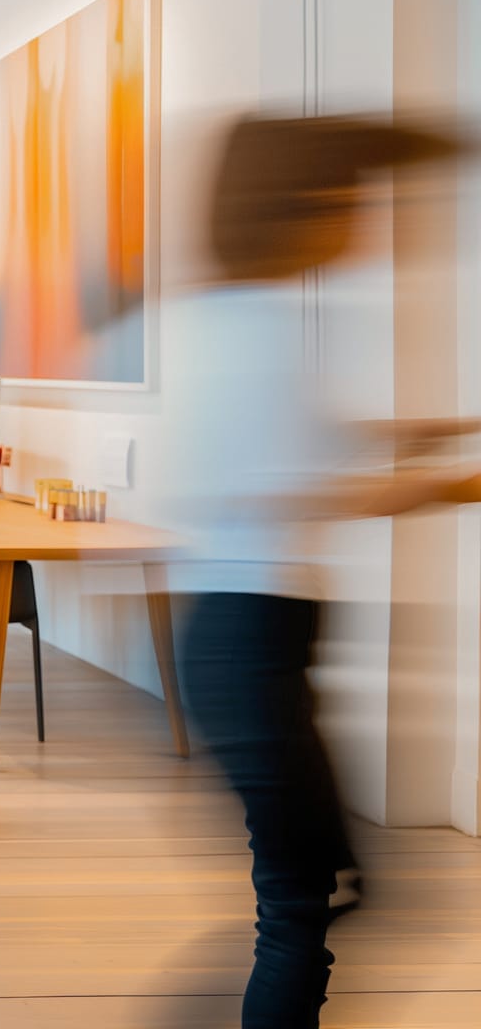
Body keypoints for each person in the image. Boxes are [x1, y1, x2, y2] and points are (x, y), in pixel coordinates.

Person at [162, 115, 481, 1028]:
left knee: (324, 892)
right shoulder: (258, 325)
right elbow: (295, 484)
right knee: (304, 907)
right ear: (294, 209)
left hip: (248, 648)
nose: (368, 222)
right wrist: (453, 481)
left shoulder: (230, 315)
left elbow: (314, 443)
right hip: (250, 651)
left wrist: (439, 436)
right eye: (350, 200)